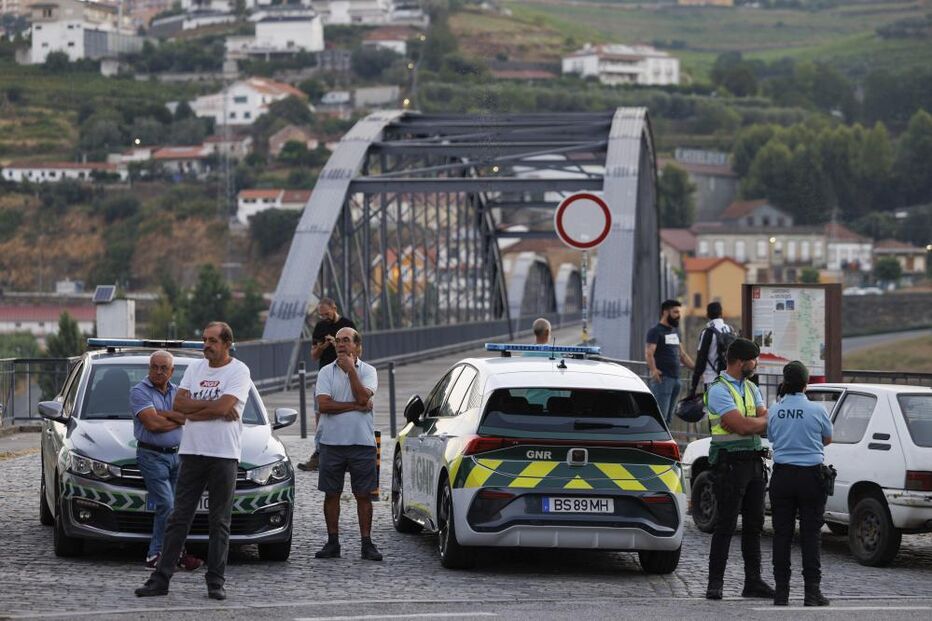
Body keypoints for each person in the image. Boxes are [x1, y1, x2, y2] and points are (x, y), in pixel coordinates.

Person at [135, 322, 252, 601]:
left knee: (219, 522)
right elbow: (179, 406)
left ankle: (215, 581)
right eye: (204, 339)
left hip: (223, 454)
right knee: (178, 519)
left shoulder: (239, 371)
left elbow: (224, 407)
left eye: (212, 340)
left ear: (226, 343)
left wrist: (197, 411)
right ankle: (161, 579)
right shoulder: (195, 369)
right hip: (192, 452)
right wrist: (211, 411)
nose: (206, 345)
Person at [704, 337, 774, 601]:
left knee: (754, 526)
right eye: (754, 360)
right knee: (725, 525)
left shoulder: (751, 387)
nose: (756, 364)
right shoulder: (719, 390)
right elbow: (742, 426)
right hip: (730, 465)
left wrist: (753, 421)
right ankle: (715, 583)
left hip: (755, 463)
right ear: (742, 362)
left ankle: (753, 582)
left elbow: (763, 421)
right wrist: (757, 421)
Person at [313, 326, 382, 562]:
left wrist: (351, 370)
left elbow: (364, 397)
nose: (340, 344)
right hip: (331, 442)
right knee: (331, 494)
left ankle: (366, 543)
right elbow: (324, 405)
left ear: (357, 347)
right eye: (338, 341)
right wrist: (354, 406)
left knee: (363, 495)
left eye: (346, 341)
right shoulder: (325, 372)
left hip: (361, 443)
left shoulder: (369, 371)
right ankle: (333, 542)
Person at [129, 350, 202, 571]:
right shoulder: (139, 391)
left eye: (163, 368)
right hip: (152, 456)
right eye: (154, 367)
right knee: (167, 505)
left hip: (179, 455)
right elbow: (153, 425)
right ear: (149, 368)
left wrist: (166, 414)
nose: (158, 372)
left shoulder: (179, 392)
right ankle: (155, 554)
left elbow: (188, 417)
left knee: (179, 508)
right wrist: (177, 418)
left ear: (172, 371)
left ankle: (177, 554)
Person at [768, 361, 832, 607]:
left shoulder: (775, 409)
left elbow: (772, 437)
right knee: (811, 535)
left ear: (785, 382)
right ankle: (811, 592)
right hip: (811, 477)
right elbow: (827, 438)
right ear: (806, 384)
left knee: (781, 534)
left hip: (782, 477)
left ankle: (781, 592)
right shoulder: (818, 410)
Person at [298, 298, 357, 472]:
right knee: (320, 414)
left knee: (347, 414)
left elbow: (357, 351)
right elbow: (314, 355)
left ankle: (347, 456)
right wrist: (324, 346)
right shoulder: (320, 327)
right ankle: (319, 453)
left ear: (334, 308)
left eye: (327, 314)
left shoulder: (347, 325)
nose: (324, 317)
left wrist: (338, 342)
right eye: (321, 315)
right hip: (325, 375)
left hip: (345, 373)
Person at [645, 299, 695, 424]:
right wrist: (654, 370)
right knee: (660, 417)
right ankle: (657, 442)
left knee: (668, 419)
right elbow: (649, 352)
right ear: (665, 312)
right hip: (663, 380)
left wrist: (698, 369)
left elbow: (682, 355)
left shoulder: (674, 333)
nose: (678, 315)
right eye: (675, 312)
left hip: (676, 380)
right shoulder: (655, 331)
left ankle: (665, 442)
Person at [690, 301, 735, 396]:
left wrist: (693, 387)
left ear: (707, 315)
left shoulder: (708, 332)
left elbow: (701, 359)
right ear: (721, 313)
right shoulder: (730, 329)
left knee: (712, 409)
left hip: (712, 378)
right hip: (729, 378)